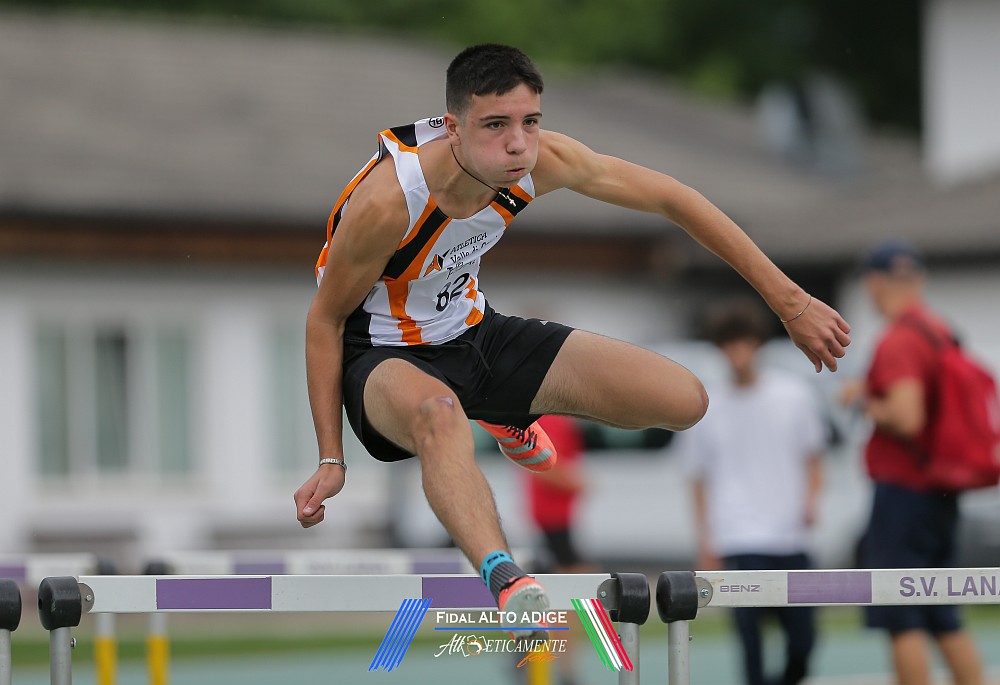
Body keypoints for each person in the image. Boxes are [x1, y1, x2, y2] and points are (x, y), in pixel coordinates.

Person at [292, 43, 851, 636]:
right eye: (496, 126)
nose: (518, 144)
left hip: (473, 333)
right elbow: (323, 321)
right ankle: (505, 576)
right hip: (383, 355)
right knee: (440, 414)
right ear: (453, 129)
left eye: (530, 122)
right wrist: (331, 456)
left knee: (685, 400)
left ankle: (504, 411)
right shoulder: (388, 203)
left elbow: (674, 199)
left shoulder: (540, 160)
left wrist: (790, 302)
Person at [840, 240, 984, 685]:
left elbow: (907, 416)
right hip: (940, 489)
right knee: (942, 613)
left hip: (904, 491)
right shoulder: (939, 330)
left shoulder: (899, 339)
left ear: (874, 282)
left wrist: (862, 398)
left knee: (900, 614)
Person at [674, 299, 825, 685]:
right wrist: (705, 540)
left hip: (790, 534)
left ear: (758, 344)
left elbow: (813, 459)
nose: (737, 353)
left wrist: (810, 502)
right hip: (738, 536)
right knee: (750, 641)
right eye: (729, 344)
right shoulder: (706, 405)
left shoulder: (793, 395)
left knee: (803, 639)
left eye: (743, 343)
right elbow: (697, 479)